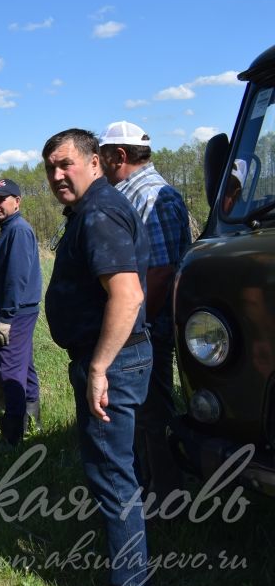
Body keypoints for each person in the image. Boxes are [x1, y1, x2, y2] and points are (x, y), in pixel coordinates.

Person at [42, 129, 152, 586]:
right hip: (111, 358)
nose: (57, 175)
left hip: (112, 361)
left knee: (113, 477)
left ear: (94, 162)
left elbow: (127, 296)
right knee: (119, 471)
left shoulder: (99, 212)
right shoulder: (91, 209)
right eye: (50, 168)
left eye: (66, 163)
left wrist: (100, 368)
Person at [99, 121, 192, 506]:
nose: (99, 165)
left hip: (146, 328)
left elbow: (162, 272)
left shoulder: (155, 197)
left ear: (120, 156)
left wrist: (128, 327)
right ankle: (150, 484)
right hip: (137, 326)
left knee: (153, 412)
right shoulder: (131, 195)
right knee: (139, 413)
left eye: (102, 157)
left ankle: (168, 494)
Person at [0, 178, 42, 446]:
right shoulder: (11, 229)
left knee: (11, 374)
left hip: (16, 314)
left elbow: (16, 277)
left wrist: (6, 317)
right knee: (24, 367)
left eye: (2, 198)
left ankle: (12, 438)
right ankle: (33, 422)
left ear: (17, 201)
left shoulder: (17, 231)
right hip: (19, 312)